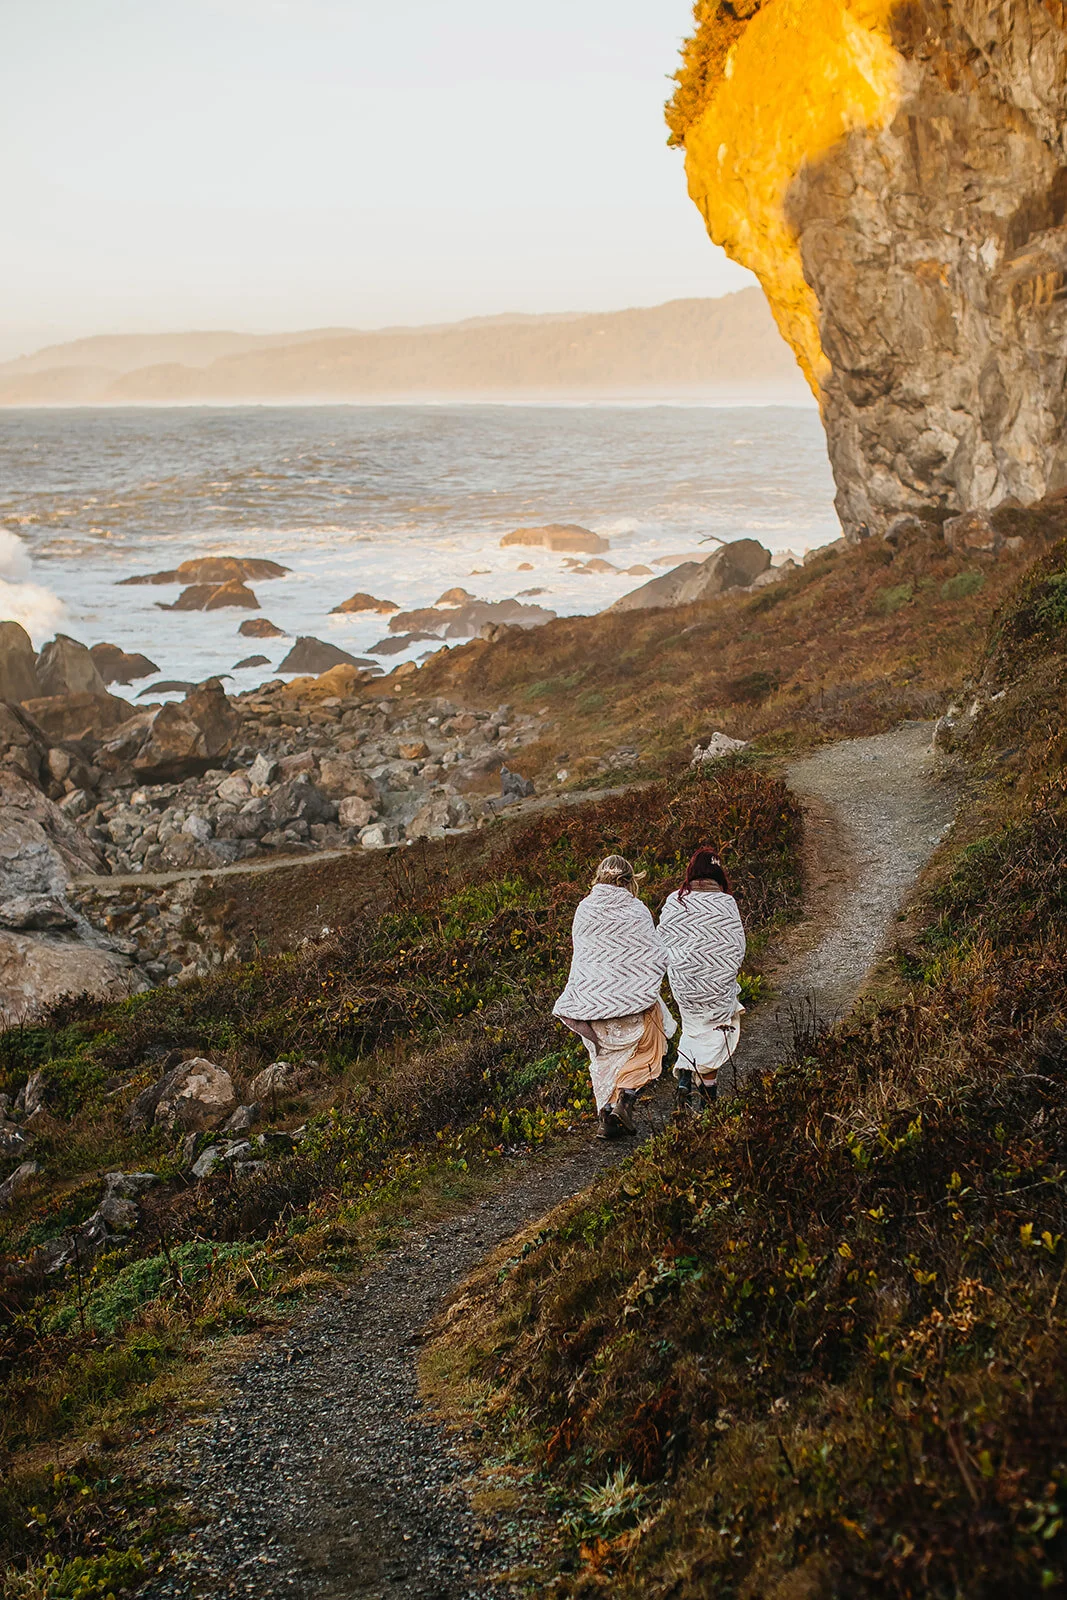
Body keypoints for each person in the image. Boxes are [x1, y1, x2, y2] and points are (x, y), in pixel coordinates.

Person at [553, 855, 675, 1139]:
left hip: (592, 1006)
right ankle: (625, 1101)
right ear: (629, 881)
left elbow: (583, 959)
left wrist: (601, 991)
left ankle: (606, 1118)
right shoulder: (636, 910)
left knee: (604, 1060)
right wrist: (636, 985)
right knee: (651, 1044)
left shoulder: (584, 909)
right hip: (631, 1007)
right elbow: (656, 956)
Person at [658, 846, 746, 1110]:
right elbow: (737, 945)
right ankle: (709, 1098)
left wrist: (680, 967)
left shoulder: (675, 900)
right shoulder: (726, 903)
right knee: (716, 1033)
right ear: (719, 874)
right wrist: (724, 971)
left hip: (684, 982)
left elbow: (662, 940)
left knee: (694, 1027)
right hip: (716, 981)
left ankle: (686, 1076)